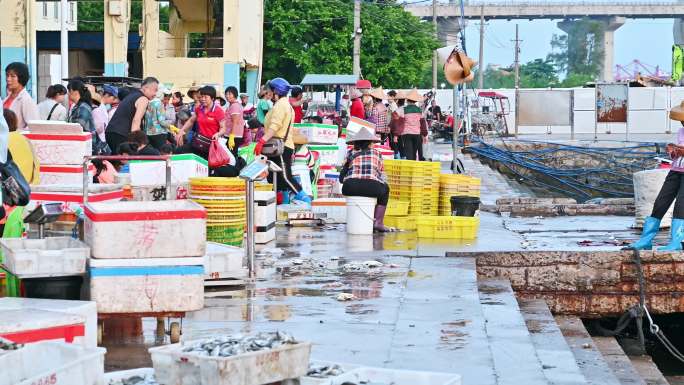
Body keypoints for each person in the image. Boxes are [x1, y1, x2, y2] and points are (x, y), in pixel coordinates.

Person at [626, 102, 684, 251]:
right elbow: (675, 155)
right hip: (676, 171)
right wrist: (672, 151)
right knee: (660, 203)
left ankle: (676, 242)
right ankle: (646, 240)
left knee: (680, 206)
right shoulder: (681, 132)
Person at [255, 77, 310, 204]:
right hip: (277, 146)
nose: (268, 92)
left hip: (281, 147)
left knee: (285, 177)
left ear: (276, 91)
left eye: (270, 90)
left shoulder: (281, 105)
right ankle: (283, 204)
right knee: (277, 178)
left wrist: (262, 141)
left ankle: (305, 199)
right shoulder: (282, 105)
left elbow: (275, 126)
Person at [340, 127, 393, 233]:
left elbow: (341, 179)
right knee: (386, 189)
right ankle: (378, 223)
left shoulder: (350, 153)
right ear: (370, 143)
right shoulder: (377, 154)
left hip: (349, 187)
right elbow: (381, 176)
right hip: (372, 187)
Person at [106, 77, 159, 154]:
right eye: (155, 90)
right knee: (126, 161)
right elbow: (136, 121)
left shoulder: (132, 95)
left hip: (111, 132)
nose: (155, 94)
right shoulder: (143, 99)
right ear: (146, 88)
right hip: (122, 134)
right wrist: (136, 143)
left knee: (117, 161)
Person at [175, 86, 226, 159]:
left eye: (205, 97)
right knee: (178, 152)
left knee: (206, 166)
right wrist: (181, 131)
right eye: (202, 97)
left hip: (211, 144)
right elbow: (191, 120)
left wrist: (218, 134)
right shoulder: (199, 108)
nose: (203, 99)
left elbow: (223, 128)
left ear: (212, 98)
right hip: (198, 141)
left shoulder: (218, 111)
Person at [3, 109, 39, 184]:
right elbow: (36, 164)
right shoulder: (25, 139)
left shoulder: (3, 140)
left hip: (8, 188)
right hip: (26, 186)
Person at [4, 62, 39, 130]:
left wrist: (17, 134)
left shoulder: (26, 100)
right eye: (7, 75)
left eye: (12, 76)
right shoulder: (6, 99)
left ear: (21, 78)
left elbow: (34, 127)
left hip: (15, 139)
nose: (8, 79)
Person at [401, 89, 424, 161]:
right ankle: (413, 169)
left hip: (407, 133)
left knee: (409, 153)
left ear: (407, 100)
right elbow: (422, 122)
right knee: (414, 153)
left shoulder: (403, 109)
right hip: (417, 133)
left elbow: (396, 117)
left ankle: (410, 168)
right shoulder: (420, 110)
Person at [224, 86, 245, 155]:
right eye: (226, 94)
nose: (227, 96)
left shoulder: (234, 106)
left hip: (233, 136)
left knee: (231, 157)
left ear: (235, 95)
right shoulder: (232, 105)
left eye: (230, 94)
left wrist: (232, 137)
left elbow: (235, 122)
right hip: (231, 135)